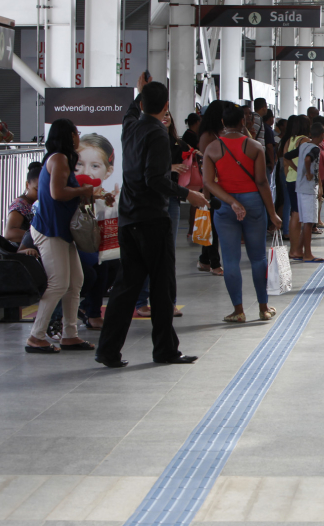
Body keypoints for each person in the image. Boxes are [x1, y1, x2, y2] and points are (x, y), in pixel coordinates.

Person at [94, 72, 208, 368]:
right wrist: (188, 195)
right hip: (151, 219)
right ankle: (165, 350)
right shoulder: (156, 133)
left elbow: (132, 110)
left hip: (129, 218)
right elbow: (156, 180)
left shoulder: (130, 127)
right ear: (166, 106)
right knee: (162, 286)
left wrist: (140, 92)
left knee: (126, 287)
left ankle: (107, 350)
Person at [25, 119, 112, 354]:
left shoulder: (61, 159)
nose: (78, 137)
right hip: (50, 229)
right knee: (59, 283)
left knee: (75, 282)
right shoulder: (59, 159)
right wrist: (85, 191)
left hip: (62, 230)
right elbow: (58, 193)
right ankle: (36, 336)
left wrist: (94, 196)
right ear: (68, 135)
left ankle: (70, 334)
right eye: (76, 133)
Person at [202, 104, 282, 322]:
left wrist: (231, 201)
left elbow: (208, 182)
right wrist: (273, 213)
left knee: (230, 260)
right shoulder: (255, 146)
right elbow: (262, 182)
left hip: (225, 207)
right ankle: (264, 308)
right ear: (242, 122)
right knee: (257, 258)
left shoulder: (212, 149)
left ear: (222, 123)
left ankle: (238, 311)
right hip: (254, 203)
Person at [135, 109, 191, 317]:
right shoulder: (144, 139)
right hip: (150, 202)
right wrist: (169, 168)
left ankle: (169, 302)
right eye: (162, 114)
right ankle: (142, 302)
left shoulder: (178, 144)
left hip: (172, 200)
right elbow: (147, 172)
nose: (166, 117)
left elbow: (189, 158)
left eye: (168, 114)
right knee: (147, 254)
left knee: (168, 254)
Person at [286, 122, 324, 262]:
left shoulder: (303, 145)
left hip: (300, 188)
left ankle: (298, 249)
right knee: (308, 222)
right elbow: (308, 159)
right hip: (309, 189)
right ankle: (308, 254)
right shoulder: (315, 148)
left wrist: (298, 170)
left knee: (305, 221)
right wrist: (308, 172)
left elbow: (286, 156)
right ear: (322, 134)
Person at [195, 101, 227, 276]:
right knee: (213, 226)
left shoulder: (215, 134)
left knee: (209, 225)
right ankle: (215, 263)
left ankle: (205, 260)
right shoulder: (208, 137)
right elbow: (206, 166)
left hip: (216, 186)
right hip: (210, 186)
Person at [282, 116, 309, 259]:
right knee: (300, 215)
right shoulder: (304, 140)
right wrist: (299, 170)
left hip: (291, 180)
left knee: (294, 213)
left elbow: (285, 160)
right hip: (301, 181)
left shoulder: (290, 140)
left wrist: (290, 174)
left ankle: (294, 249)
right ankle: (296, 250)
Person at [4, 162, 42, 244]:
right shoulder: (20, 204)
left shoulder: (36, 203)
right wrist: (37, 235)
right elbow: (9, 233)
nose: (40, 194)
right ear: (27, 184)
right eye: (37, 190)